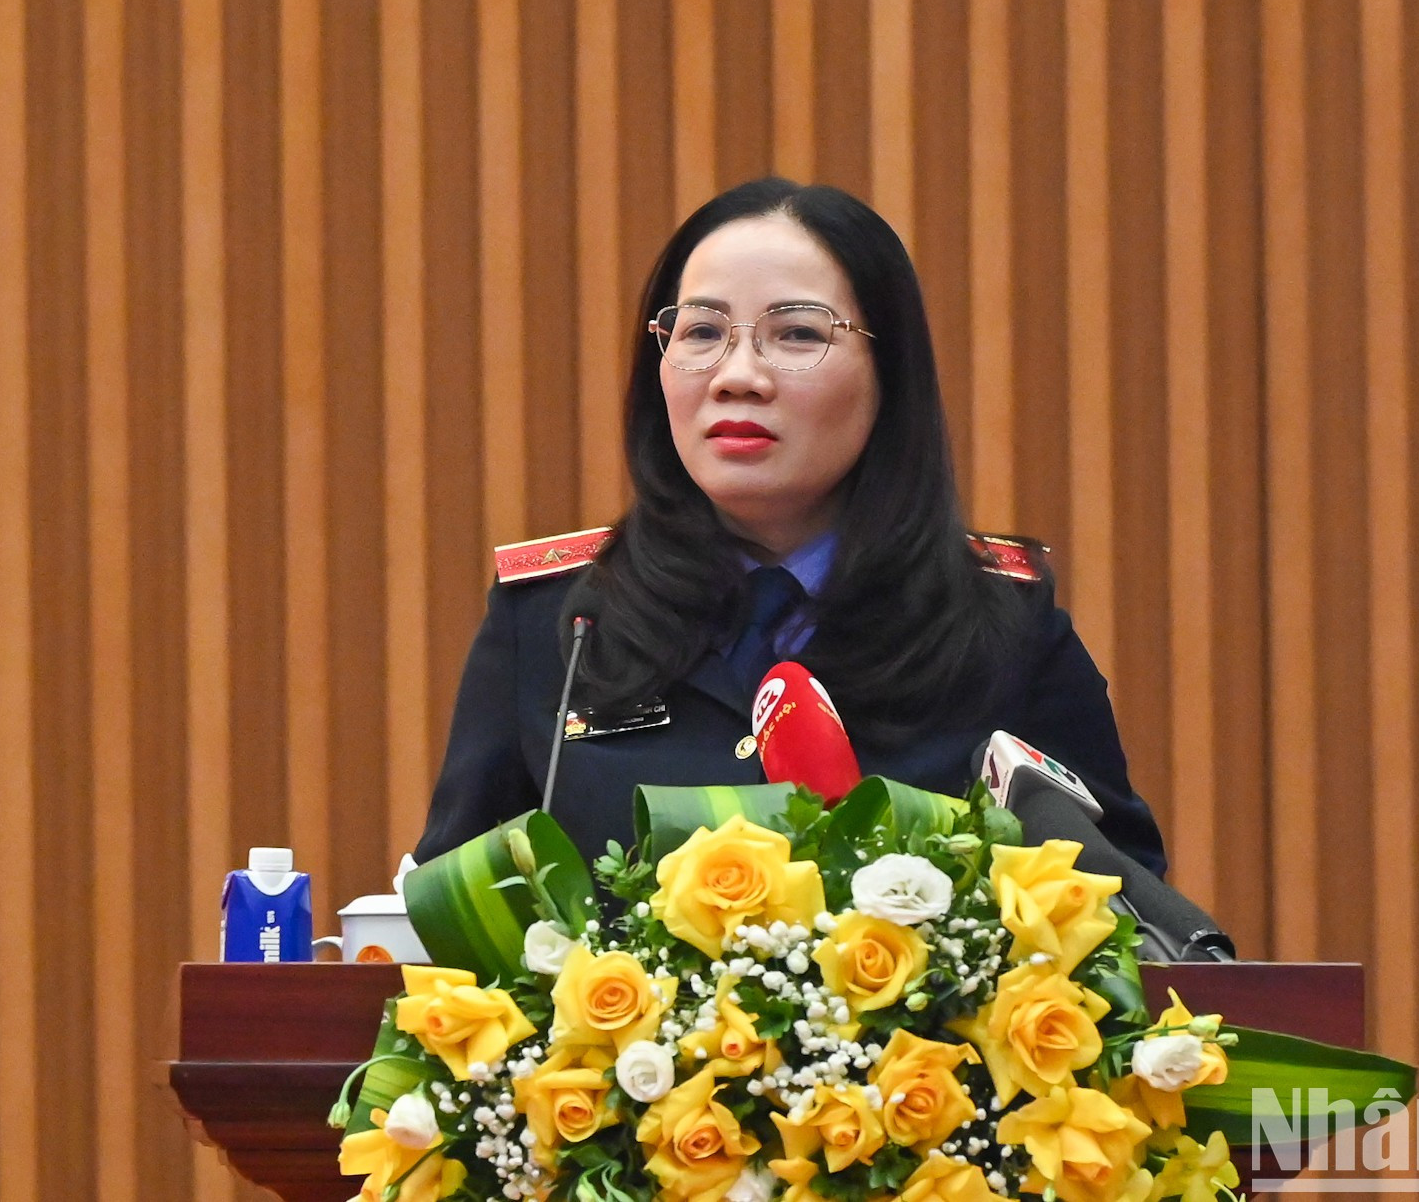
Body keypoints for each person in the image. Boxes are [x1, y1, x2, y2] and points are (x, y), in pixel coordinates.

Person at [413, 178, 1166, 874]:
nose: (737, 375)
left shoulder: (1000, 623)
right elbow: (453, 914)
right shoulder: (557, 620)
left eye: (798, 334)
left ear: (890, 374)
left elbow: (1116, 909)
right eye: (701, 332)